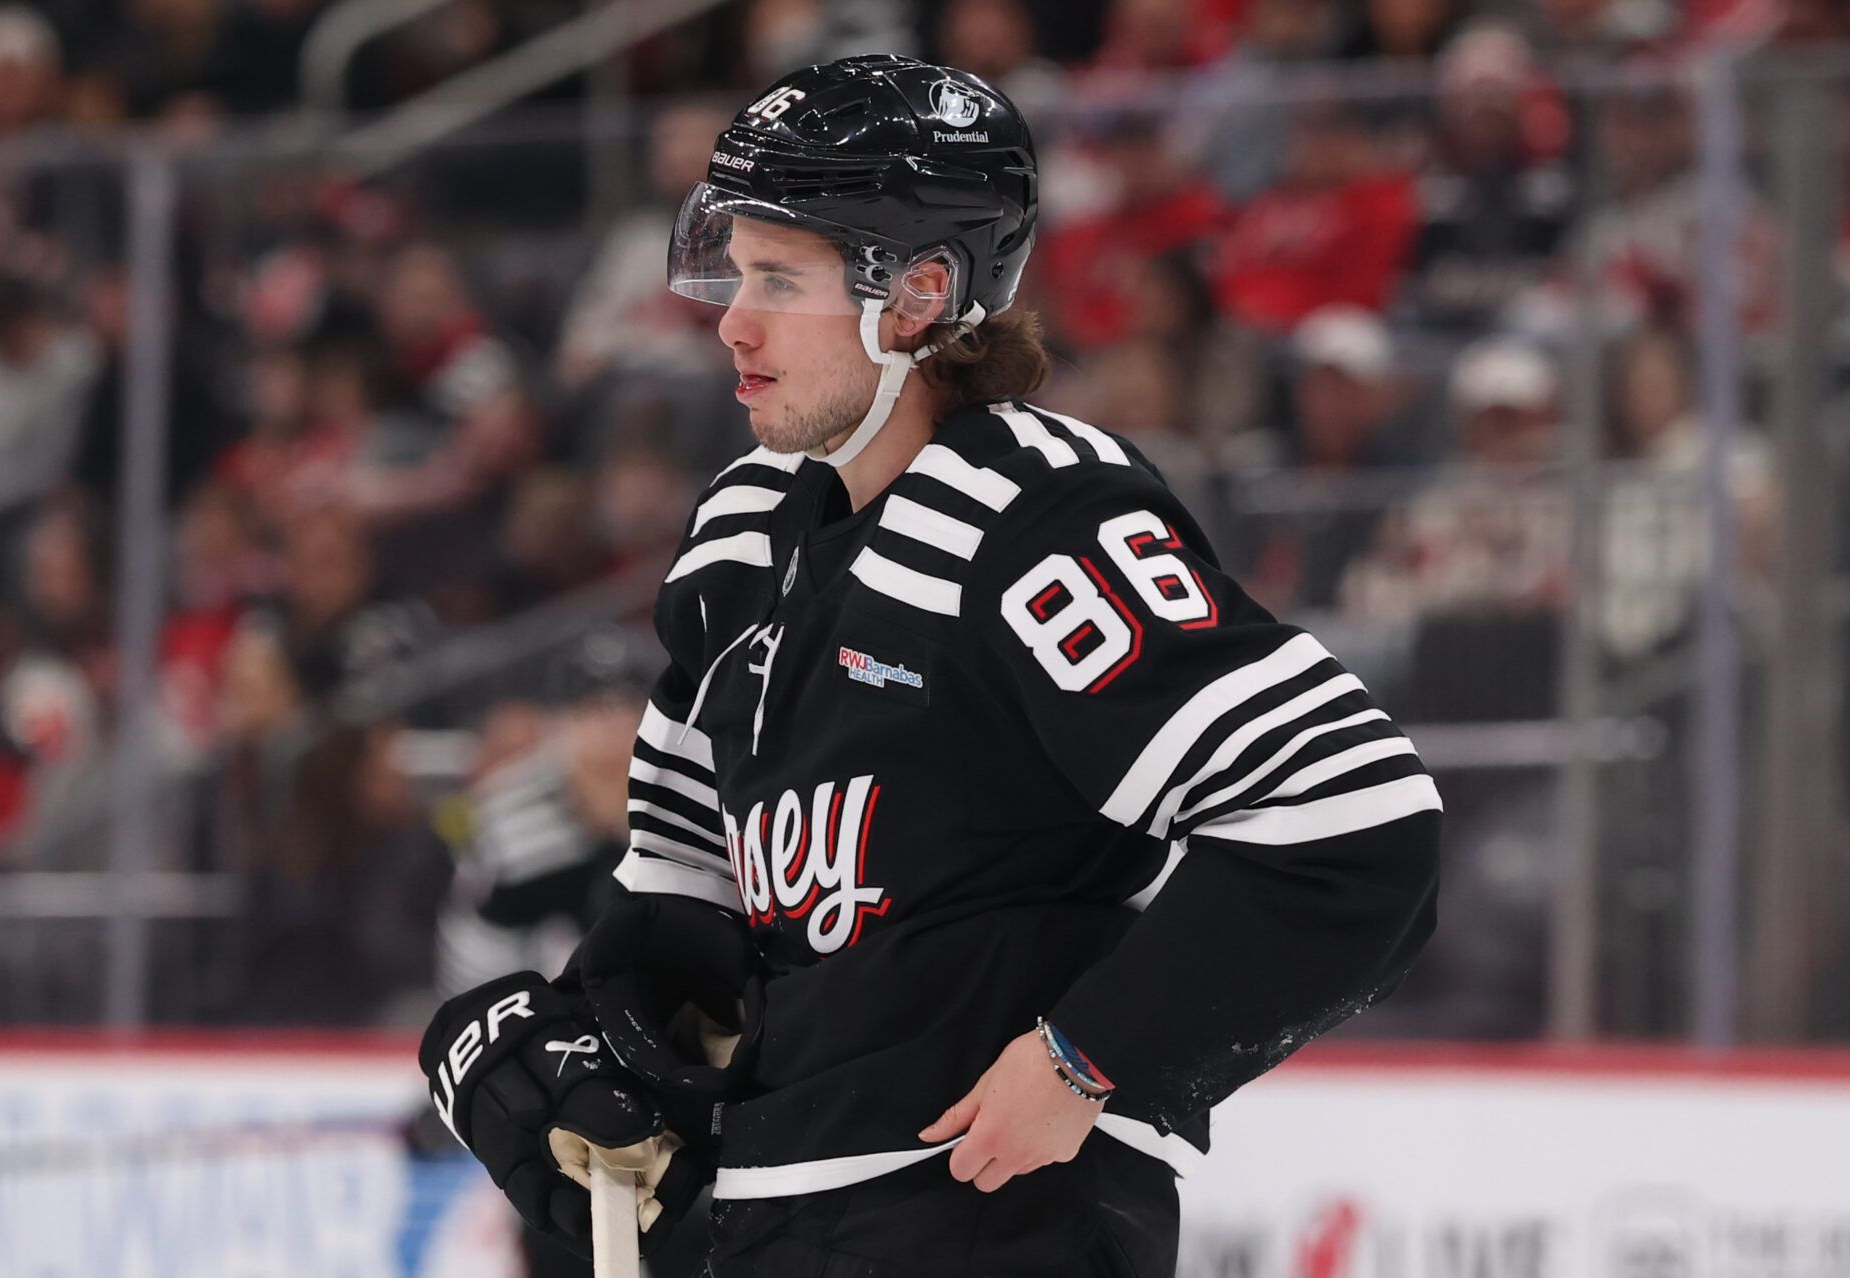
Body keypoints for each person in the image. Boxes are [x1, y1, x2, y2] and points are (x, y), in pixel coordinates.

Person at [421, 56, 1440, 1277]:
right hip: (768, 1230)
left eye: (779, 281)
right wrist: (580, 1052)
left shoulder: (1033, 516)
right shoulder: (744, 537)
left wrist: (1087, 1058)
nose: (733, 321)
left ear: (916, 295)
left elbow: (1353, 823)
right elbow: (693, 893)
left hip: (989, 1227)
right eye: (734, 272)